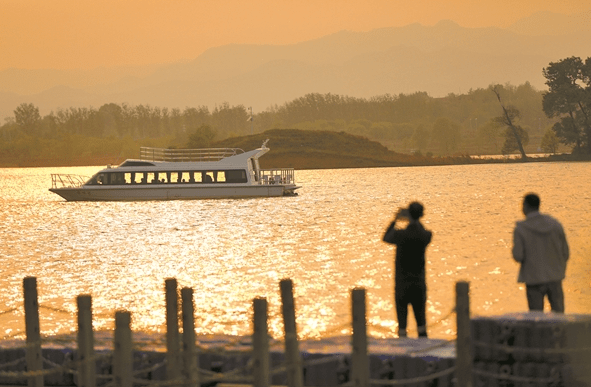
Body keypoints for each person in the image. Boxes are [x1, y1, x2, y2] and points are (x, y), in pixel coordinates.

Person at [512, 193, 569, 312]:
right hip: (554, 277)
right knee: (559, 316)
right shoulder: (555, 225)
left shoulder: (521, 229)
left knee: (536, 319)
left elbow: (518, 256)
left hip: (533, 279)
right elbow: (566, 252)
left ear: (525, 206)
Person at [383, 201, 432, 338]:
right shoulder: (425, 235)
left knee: (402, 326)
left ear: (409, 214)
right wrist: (414, 220)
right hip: (418, 283)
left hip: (402, 284)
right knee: (421, 323)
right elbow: (424, 232)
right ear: (422, 215)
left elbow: (386, 237)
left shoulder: (401, 235)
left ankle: (403, 347)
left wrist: (396, 220)